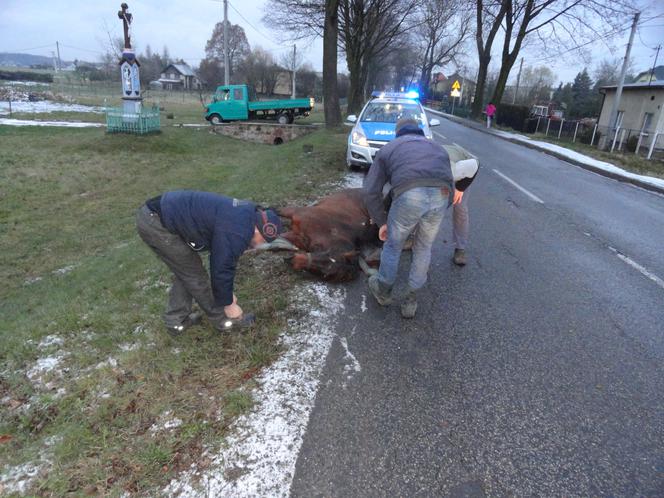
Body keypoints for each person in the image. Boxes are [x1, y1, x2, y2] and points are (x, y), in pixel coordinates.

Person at [136, 190, 283, 336]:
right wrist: (229, 304)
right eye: (261, 240)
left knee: (185, 271)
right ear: (257, 228)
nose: (258, 245)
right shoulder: (236, 230)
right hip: (157, 224)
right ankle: (223, 320)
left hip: (159, 214)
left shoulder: (247, 213)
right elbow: (221, 267)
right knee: (195, 275)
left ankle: (175, 321)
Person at [364, 118, 455, 318]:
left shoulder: (389, 148)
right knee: (423, 247)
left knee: (393, 245)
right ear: (420, 132)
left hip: (409, 194)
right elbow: (451, 184)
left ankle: (383, 291)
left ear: (398, 133)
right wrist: (438, 210)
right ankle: (410, 300)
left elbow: (371, 191)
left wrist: (382, 222)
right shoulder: (437, 148)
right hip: (441, 194)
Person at [442, 144, 479, 266]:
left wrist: (460, 188)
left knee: (460, 208)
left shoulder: (458, 169)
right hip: (442, 172)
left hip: (463, 174)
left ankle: (460, 249)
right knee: (426, 206)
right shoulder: (424, 165)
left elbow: (475, 164)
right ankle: (413, 238)